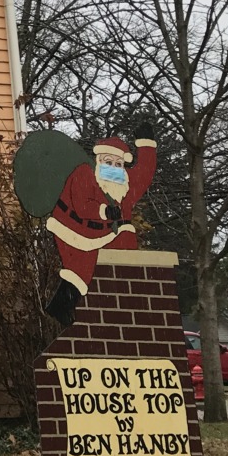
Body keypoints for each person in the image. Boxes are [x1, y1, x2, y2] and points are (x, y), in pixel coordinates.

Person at [43, 121, 157, 325]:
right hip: (72, 228)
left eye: (118, 163)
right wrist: (103, 211)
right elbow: (81, 203)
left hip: (103, 233)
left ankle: (124, 293)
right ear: (98, 159)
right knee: (81, 267)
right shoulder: (84, 174)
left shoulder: (125, 185)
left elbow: (145, 173)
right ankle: (62, 305)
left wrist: (146, 144)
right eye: (108, 161)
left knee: (126, 237)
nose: (113, 167)